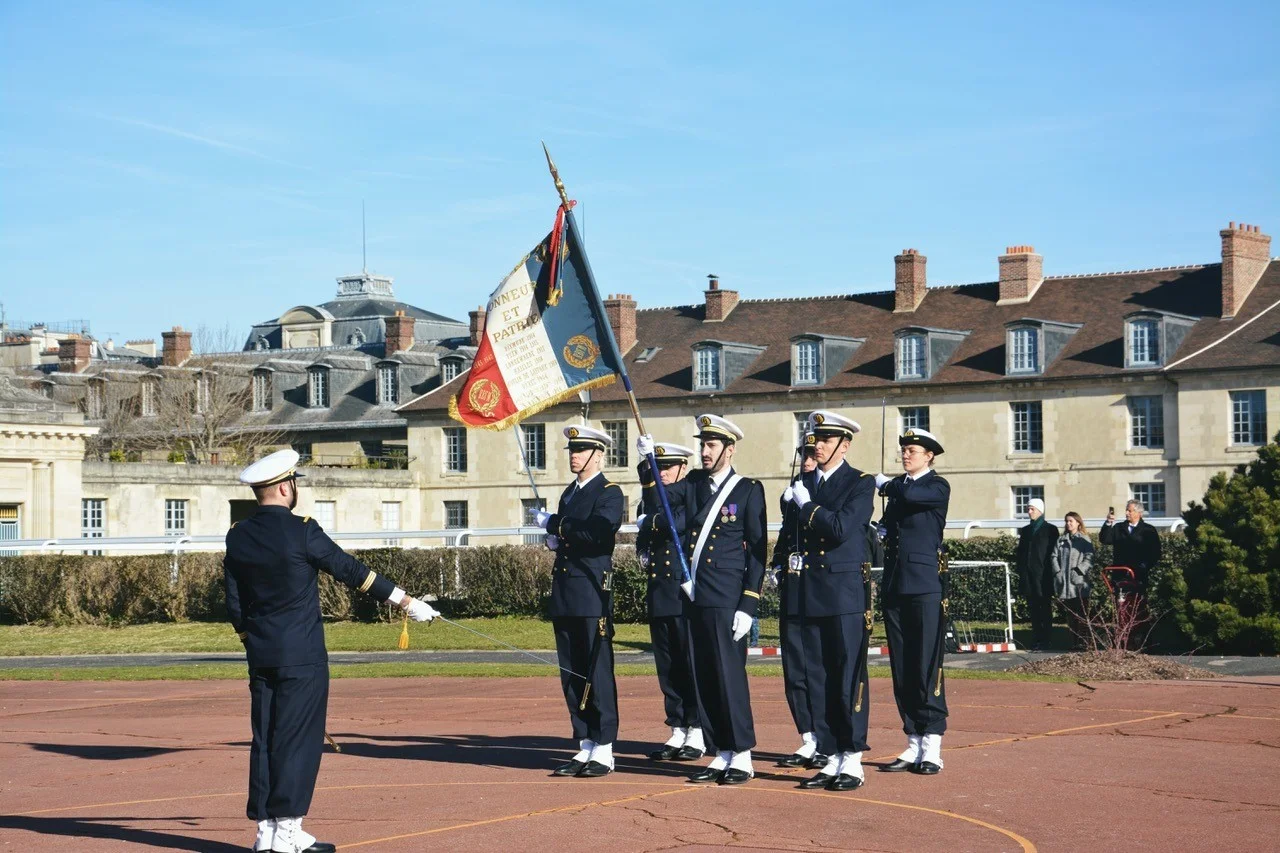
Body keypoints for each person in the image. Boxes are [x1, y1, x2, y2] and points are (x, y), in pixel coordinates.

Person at [224, 449, 437, 853]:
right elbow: (352, 572)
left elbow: (234, 601)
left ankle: (267, 833)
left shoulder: (239, 534)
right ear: (287, 487)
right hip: (301, 655)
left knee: (266, 740)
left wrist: (251, 641)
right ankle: (286, 832)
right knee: (298, 742)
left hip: (261, 654)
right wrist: (408, 602)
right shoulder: (302, 530)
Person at [638, 414, 767, 785]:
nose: (704, 451)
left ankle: (741, 754)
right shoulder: (693, 483)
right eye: (702, 445)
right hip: (695, 596)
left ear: (730, 449)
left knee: (729, 679)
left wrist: (748, 604)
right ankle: (720, 751)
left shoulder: (747, 490)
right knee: (706, 678)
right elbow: (656, 502)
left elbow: (757, 552)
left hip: (728, 598)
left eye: (711, 445)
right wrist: (648, 466)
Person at [779, 411, 876, 792]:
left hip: (843, 594)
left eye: (826, 440)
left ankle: (852, 758)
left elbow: (839, 529)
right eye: (815, 439)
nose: (817, 445)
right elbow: (792, 538)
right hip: (807, 592)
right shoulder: (802, 481)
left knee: (847, 676)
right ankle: (830, 752)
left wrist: (805, 507)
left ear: (844, 445)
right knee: (815, 677)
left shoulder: (860, 483)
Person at [535, 425, 625, 778]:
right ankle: (584, 741)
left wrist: (557, 525)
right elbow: (571, 536)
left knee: (596, 669)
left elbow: (598, 534)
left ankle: (605, 747)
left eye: (582, 450)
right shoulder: (570, 494)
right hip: (567, 591)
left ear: (598, 455)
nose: (574, 456)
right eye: (572, 450)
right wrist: (556, 540)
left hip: (592, 592)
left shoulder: (609, 493)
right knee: (571, 670)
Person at [875, 428, 951, 776]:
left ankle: (933, 741)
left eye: (913, 451)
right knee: (903, 667)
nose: (907, 455)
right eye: (904, 450)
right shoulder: (900, 491)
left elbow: (913, 497)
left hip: (924, 585)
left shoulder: (935, 486)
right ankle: (913, 740)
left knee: (926, 664)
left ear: (929, 456)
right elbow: (886, 530)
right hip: (895, 585)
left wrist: (885, 485)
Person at [635, 441, 705, 763]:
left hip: (682, 592)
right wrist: (642, 547)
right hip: (659, 591)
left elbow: (675, 523)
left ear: (682, 469)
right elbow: (644, 533)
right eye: (657, 468)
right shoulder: (650, 500)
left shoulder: (691, 496)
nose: (661, 473)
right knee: (667, 667)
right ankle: (676, 727)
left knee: (689, 663)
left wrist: (650, 522)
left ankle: (697, 730)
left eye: (667, 468)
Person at [772, 435, 825, 771]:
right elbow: (785, 536)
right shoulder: (793, 492)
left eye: (811, 454)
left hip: (820, 591)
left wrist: (806, 503)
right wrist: (777, 564)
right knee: (795, 669)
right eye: (803, 454)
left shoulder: (826, 492)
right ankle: (807, 737)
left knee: (818, 668)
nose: (806, 460)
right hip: (794, 588)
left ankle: (825, 736)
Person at [1015, 498, 1060, 650]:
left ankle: (1046, 639)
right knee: (1033, 608)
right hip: (1029, 575)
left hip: (1043, 575)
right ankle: (1036, 637)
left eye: (1032, 509)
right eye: (1028, 509)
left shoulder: (1050, 529)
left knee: (1044, 607)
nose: (1029, 512)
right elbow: (1021, 552)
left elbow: (1052, 553)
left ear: (1040, 510)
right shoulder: (1026, 530)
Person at [1100, 500, 1162, 592]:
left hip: (1138, 575)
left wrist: (1144, 566)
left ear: (1139, 513)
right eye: (1126, 510)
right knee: (1120, 603)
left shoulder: (1148, 530)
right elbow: (1105, 539)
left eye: (1129, 511)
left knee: (1137, 603)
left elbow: (1155, 552)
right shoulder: (1118, 527)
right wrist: (1108, 523)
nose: (1126, 513)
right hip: (1119, 574)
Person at [1052, 512, 1094, 648]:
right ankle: (1073, 642)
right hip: (1065, 584)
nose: (1068, 523)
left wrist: (1079, 571)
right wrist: (1058, 572)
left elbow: (1089, 558)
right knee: (1070, 615)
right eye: (1066, 521)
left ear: (1078, 523)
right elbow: (1053, 556)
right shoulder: (1061, 540)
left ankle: (1084, 642)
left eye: (1071, 521)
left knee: (1082, 615)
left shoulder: (1084, 539)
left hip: (1079, 584)